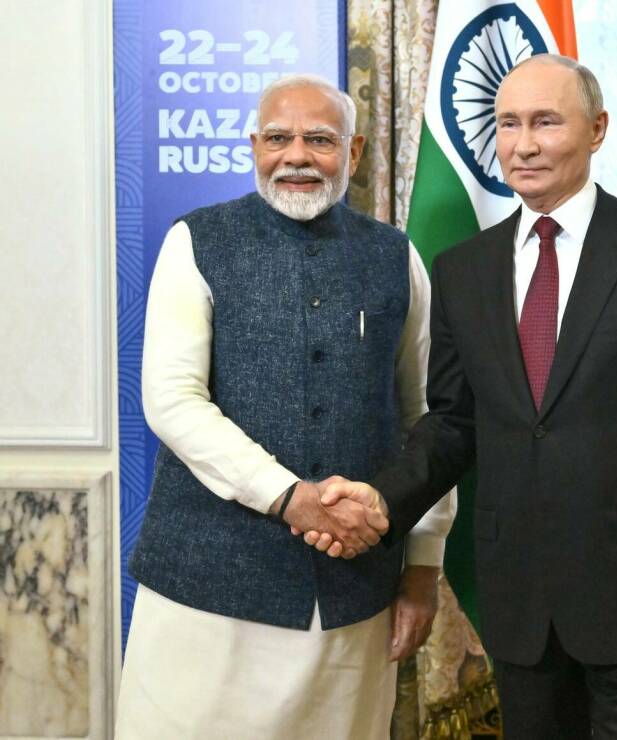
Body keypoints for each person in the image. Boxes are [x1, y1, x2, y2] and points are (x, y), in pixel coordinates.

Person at [314, 54, 617, 739]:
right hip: (520, 595)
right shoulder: (464, 269)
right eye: (508, 124)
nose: (523, 145)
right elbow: (454, 423)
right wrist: (381, 498)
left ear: (597, 129)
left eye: (546, 122)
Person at [114, 74, 455, 739]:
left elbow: (427, 418)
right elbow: (172, 400)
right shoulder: (196, 241)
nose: (296, 156)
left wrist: (422, 569)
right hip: (206, 590)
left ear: (354, 152)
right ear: (254, 146)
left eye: (319, 140)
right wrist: (286, 496)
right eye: (278, 138)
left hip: (353, 597)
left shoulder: (396, 256)